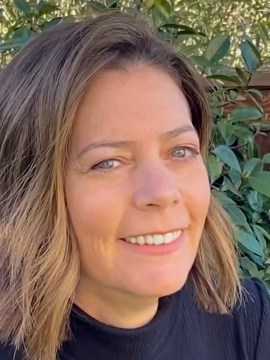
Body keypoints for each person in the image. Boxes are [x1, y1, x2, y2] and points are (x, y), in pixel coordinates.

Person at [0, 11, 269, 360]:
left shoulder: (249, 324)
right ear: (32, 193)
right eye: (108, 162)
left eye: (180, 151)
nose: (162, 191)